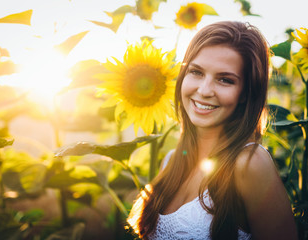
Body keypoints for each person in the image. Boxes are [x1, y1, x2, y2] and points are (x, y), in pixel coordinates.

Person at [127, 21, 298, 240]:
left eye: (225, 80)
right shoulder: (171, 162)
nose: (204, 90)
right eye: (196, 72)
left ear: (246, 93)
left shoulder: (249, 163)